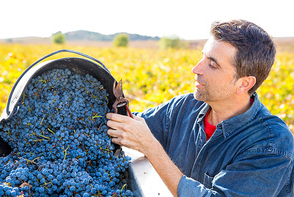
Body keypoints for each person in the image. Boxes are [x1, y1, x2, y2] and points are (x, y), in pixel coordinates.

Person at [106, 19, 294, 196]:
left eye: (212, 64)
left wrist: (151, 147)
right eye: (203, 57)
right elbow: (129, 125)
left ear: (244, 84)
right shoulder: (185, 107)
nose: (196, 69)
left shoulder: (271, 144)